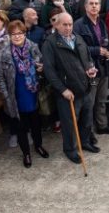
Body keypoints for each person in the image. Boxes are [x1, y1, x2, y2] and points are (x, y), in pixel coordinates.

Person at [42, 13, 99, 163]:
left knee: (87, 119)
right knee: (70, 124)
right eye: (64, 25)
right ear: (56, 25)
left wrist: (90, 68)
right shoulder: (50, 43)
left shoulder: (78, 38)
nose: (68, 28)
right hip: (68, 92)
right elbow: (49, 71)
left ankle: (85, 142)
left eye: (70, 24)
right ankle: (70, 149)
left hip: (85, 87)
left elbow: (87, 58)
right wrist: (62, 90)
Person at [0, 21, 50, 167]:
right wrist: (6, 95)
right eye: (14, 34)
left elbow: (43, 64)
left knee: (36, 122)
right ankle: (26, 153)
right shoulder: (4, 53)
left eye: (20, 33)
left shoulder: (33, 47)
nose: (17, 36)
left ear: (25, 34)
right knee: (21, 126)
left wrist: (41, 68)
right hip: (16, 95)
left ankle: (38, 145)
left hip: (33, 92)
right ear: (9, 36)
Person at [73, 0, 109, 135]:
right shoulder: (79, 25)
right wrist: (96, 50)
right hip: (90, 69)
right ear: (86, 7)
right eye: (91, 4)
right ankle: (88, 133)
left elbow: (106, 43)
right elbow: (77, 47)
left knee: (101, 101)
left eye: (96, 4)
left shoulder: (102, 23)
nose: (94, 6)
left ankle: (102, 126)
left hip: (103, 67)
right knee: (89, 103)